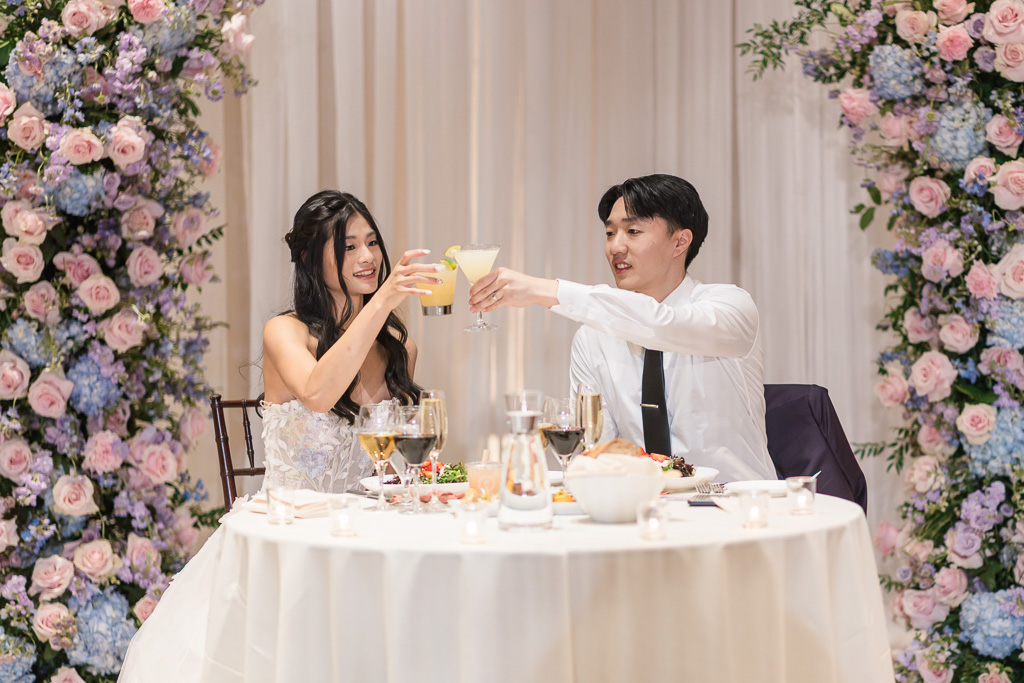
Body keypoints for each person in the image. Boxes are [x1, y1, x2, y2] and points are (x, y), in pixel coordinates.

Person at [118, 190, 439, 682]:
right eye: (349, 246)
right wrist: (385, 302)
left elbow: (392, 463)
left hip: (366, 544)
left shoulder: (400, 349)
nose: (369, 257)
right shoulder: (284, 333)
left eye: (372, 242)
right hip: (288, 549)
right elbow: (317, 392)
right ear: (313, 257)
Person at [467, 174, 776, 483]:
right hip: (639, 509)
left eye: (633, 231)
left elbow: (661, 324)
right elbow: (596, 449)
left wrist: (548, 291)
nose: (616, 246)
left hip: (735, 506)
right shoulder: (592, 337)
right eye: (610, 232)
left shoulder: (731, 307)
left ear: (680, 241)